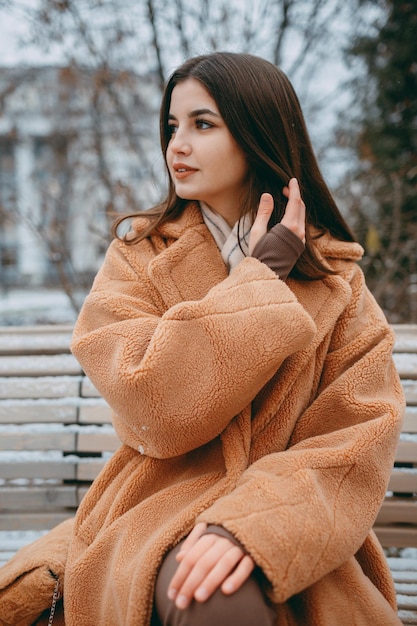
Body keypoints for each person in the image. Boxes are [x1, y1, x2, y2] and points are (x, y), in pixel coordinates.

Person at [0, 52, 405, 626]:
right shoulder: (137, 261)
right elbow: (155, 410)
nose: (177, 146)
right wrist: (257, 284)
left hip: (294, 528)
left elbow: (356, 439)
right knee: (207, 595)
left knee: (228, 587)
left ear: (257, 133)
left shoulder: (338, 281)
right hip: (151, 515)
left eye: (202, 124)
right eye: (172, 126)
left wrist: (250, 526)